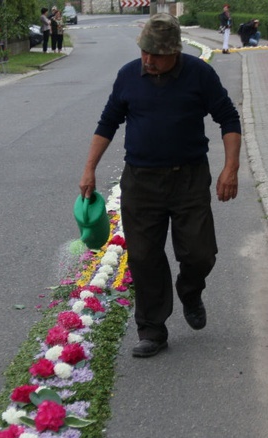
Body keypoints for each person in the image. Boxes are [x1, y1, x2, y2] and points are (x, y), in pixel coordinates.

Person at [78, 13, 242, 358]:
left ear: (175, 53)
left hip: (189, 178)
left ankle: (190, 289)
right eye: (145, 53)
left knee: (199, 253)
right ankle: (152, 330)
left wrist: (231, 168)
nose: (149, 61)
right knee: (144, 256)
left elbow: (228, 117)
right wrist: (89, 168)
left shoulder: (200, 75)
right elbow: (108, 122)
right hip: (141, 181)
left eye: (156, 55)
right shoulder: (128, 76)